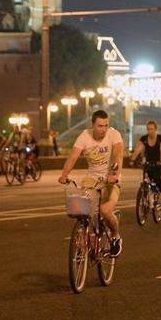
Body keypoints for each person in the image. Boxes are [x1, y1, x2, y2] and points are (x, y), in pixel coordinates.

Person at [59, 110, 125, 257]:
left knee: (105, 211)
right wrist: (64, 175)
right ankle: (83, 242)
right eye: (100, 126)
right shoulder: (84, 136)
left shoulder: (114, 134)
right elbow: (73, 157)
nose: (104, 129)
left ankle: (115, 236)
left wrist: (115, 174)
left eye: (106, 125)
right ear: (93, 125)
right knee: (81, 210)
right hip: (92, 178)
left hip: (110, 178)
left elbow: (118, 155)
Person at [130, 120, 161, 193]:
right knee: (146, 177)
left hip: (160, 162)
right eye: (148, 129)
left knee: (156, 176)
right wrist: (132, 160)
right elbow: (138, 149)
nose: (150, 131)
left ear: (156, 129)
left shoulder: (160, 139)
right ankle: (146, 196)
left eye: (151, 129)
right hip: (149, 162)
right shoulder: (144, 139)